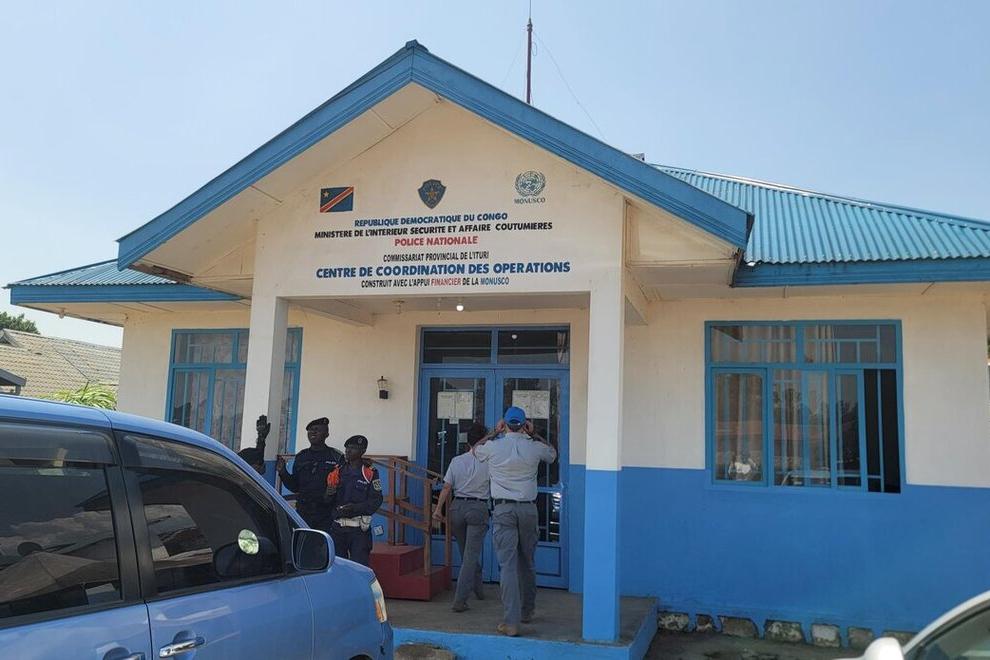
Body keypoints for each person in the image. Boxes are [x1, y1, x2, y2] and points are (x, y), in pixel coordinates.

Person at [473, 406, 557, 637]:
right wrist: (535, 433)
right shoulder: (535, 447)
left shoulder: (493, 447)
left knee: (508, 566)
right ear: (524, 424)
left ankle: (511, 622)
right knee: (527, 562)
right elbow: (552, 454)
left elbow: (474, 450)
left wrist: (493, 432)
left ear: (505, 424)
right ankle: (527, 611)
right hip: (528, 509)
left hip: (503, 510)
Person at [432, 422, 492, 612]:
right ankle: (460, 600)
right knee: (470, 556)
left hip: (456, 507)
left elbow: (446, 487)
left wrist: (438, 510)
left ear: (467, 442)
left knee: (466, 551)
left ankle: (478, 589)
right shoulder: (489, 461)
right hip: (478, 507)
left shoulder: (456, 461)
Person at [324, 435, 383, 566]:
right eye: (346, 448)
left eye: (353, 448)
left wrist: (355, 508)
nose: (348, 451)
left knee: (359, 567)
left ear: (362, 451)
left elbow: (376, 500)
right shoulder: (338, 471)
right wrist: (328, 494)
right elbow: (327, 500)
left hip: (358, 530)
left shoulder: (369, 473)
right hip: (338, 528)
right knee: (337, 567)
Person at [276, 417, 343, 532]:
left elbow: (344, 485)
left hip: (326, 514)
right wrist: (283, 472)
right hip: (303, 513)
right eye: (311, 430)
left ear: (326, 434)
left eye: (317, 430)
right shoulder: (301, 456)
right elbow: (294, 486)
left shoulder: (336, 457)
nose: (313, 432)